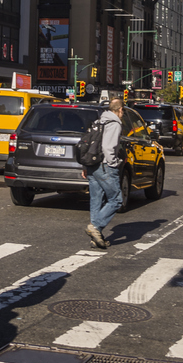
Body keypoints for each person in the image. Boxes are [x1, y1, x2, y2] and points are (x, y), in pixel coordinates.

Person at [85, 98, 125, 250]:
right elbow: (109, 147)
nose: (123, 113)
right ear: (120, 109)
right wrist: (114, 163)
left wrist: (85, 166)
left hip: (93, 165)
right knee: (116, 200)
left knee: (96, 200)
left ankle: (97, 236)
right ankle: (95, 226)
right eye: (123, 111)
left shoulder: (100, 120)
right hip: (105, 166)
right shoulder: (114, 123)